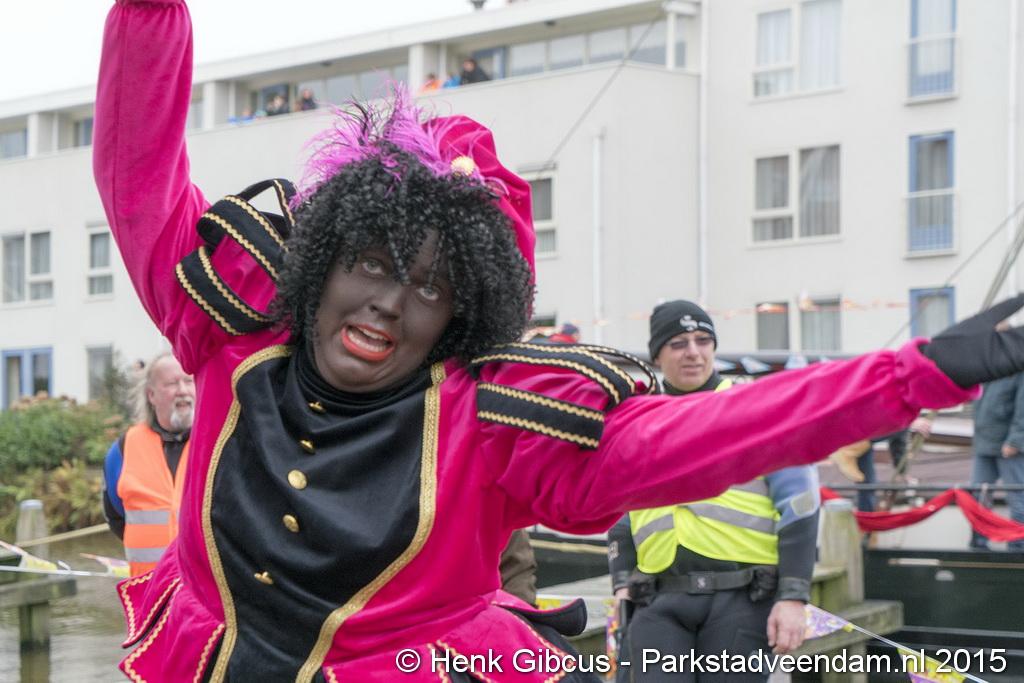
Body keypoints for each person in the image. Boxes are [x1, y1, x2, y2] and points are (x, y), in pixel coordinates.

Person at [94, 2, 1023, 680]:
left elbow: (731, 431)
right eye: (371, 263)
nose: (387, 305)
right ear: (324, 257)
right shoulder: (231, 322)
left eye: (430, 287)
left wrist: (923, 371)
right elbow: (137, 172)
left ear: (462, 317)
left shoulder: (496, 425)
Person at [608, 301, 819, 682]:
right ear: (656, 356)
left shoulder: (757, 410)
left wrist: (793, 596)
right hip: (658, 599)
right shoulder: (636, 421)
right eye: (678, 343)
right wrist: (622, 583)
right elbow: (619, 510)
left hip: (742, 599)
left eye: (703, 341)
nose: (693, 352)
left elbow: (801, 505)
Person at [102, 353, 195, 577]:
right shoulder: (124, 448)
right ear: (151, 395)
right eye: (172, 383)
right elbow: (115, 515)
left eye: (188, 381)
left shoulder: (216, 442)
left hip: (203, 589)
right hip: (148, 586)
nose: (182, 390)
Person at [969, 371, 1024, 550]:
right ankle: (978, 545)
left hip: (1010, 447)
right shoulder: (991, 369)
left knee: (1018, 499)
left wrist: (1016, 440)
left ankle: (1018, 549)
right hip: (984, 443)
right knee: (978, 496)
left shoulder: (1018, 371)